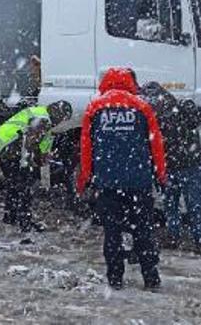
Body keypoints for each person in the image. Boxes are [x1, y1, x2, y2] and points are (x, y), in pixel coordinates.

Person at [78, 68, 167, 291]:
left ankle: (115, 278)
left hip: (108, 185)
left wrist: (85, 179)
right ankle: (151, 277)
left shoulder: (95, 108)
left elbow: (86, 149)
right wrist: (160, 175)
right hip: (139, 182)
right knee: (143, 230)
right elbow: (156, 145)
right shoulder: (142, 107)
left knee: (112, 233)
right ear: (130, 82)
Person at [141, 82, 201, 258]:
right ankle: (197, 241)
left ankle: (183, 238)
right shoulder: (181, 109)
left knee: (177, 205)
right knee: (187, 205)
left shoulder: (174, 111)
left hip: (180, 167)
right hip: (184, 165)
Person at [0, 101, 72, 233]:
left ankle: (10, 217)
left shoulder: (44, 121)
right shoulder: (41, 120)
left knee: (14, 185)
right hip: (7, 149)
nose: (61, 122)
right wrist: (26, 166)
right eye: (62, 119)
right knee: (22, 186)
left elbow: (43, 153)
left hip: (4, 148)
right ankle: (24, 222)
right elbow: (28, 145)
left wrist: (45, 178)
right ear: (59, 116)